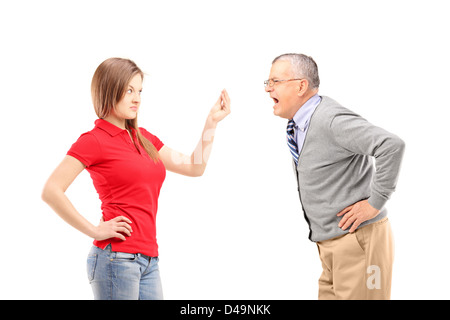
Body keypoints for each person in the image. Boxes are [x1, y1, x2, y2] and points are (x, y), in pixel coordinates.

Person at [41, 57, 230, 300]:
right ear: (109, 89)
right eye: (129, 90)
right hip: (115, 259)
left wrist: (211, 123)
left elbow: (195, 167)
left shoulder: (144, 138)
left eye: (140, 90)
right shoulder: (93, 140)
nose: (137, 98)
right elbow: (51, 190)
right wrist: (95, 230)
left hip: (149, 260)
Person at [265, 53, 405, 300]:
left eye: (275, 81)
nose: (268, 89)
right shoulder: (298, 125)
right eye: (267, 82)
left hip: (358, 243)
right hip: (330, 248)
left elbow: (390, 145)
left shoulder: (330, 120)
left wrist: (375, 203)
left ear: (300, 86)